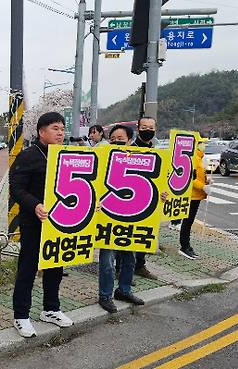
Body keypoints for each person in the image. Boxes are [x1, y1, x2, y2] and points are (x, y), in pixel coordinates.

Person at [9, 112, 73, 338]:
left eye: (62, 128)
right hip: (34, 223)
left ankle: (51, 309)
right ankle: (21, 316)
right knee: (28, 268)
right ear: (41, 131)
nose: (60, 133)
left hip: (59, 224)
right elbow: (16, 188)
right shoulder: (28, 156)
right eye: (55, 128)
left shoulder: (66, 155)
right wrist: (34, 205)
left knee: (56, 266)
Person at [97, 125, 145, 313]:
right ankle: (105, 295)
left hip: (130, 217)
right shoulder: (103, 157)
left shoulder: (140, 160)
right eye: (113, 138)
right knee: (107, 261)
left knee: (130, 258)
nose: (116, 141)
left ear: (130, 141)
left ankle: (124, 290)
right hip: (108, 218)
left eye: (121, 138)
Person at [127, 117, 159, 281]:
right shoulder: (131, 150)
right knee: (127, 238)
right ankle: (124, 270)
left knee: (143, 235)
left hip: (148, 200)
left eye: (151, 127)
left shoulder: (155, 150)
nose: (148, 130)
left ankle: (140, 265)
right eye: (144, 127)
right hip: (130, 201)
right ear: (138, 128)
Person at [179, 139, 211, 260]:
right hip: (191, 195)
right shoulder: (192, 158)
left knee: (189, 221)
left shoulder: (200, 158)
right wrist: (202, 186)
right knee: (187, 222)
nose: (204, 146)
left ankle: (186, 245)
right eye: (201, 143)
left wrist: (206, 181)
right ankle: (184, 246)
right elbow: (191, 178)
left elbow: (199, 175)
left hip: (197, 195)